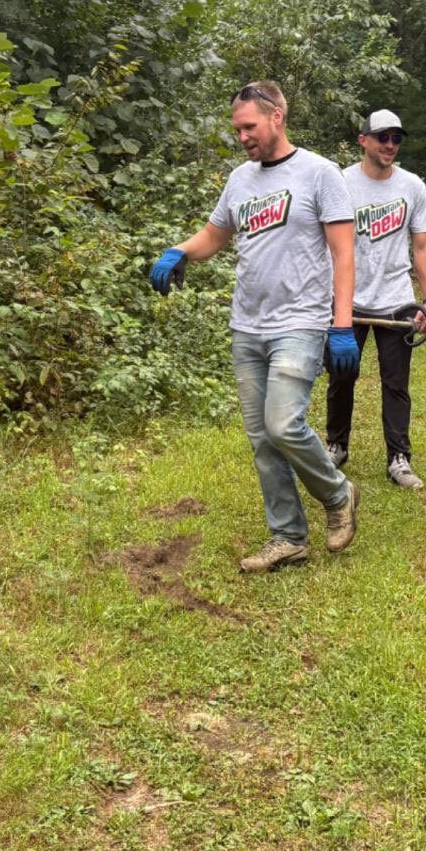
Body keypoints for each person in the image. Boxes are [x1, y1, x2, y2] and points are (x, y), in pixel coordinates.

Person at [149, 81, 360, 572]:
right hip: (247, 324)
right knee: (262, 439)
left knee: (284, 423)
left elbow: (343, 253)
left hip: (301, 321)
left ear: (277, 117)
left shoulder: (320, 174)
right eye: (237, 129)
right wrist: (180, 251)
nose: (242, 136)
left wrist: (341, 325)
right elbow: (214, 235)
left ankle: (338, 493)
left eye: (249, 126)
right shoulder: (240, 180)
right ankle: (288, 535)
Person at [325, 109, 426, 490]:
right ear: (364, 141)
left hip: (397, 300)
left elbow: (422, 244)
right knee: (342, 376)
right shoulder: (339, 183)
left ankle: (399, 458)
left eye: (396, 138)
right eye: (383, 137)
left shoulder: (412, 186)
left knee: (396, 382)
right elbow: (323, 243)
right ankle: (336, 446)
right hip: (348, 301)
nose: (390, 145)